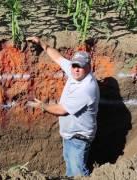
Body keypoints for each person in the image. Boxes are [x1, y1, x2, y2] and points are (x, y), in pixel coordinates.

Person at [26, 36, 100, 177]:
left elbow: (62, 110)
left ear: (89, 67)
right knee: (71, 168)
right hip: (71, 135)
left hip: (79, 137)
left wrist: (43, 106)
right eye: (75, 65)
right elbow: (58, 58)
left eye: (81, 67)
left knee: (77, 173)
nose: (76, 69)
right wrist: (41, 43)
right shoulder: (75, 72)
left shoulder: (86, 88)